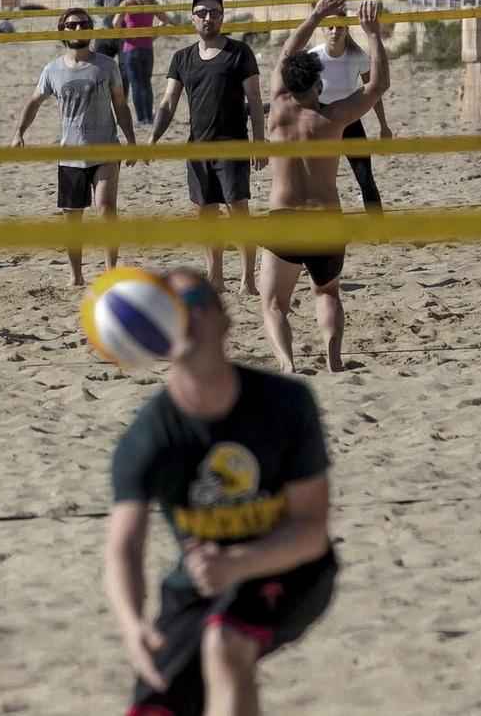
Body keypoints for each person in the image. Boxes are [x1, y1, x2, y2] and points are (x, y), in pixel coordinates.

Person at [106, 268, 335, 716]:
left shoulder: (286, 404)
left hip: (292, 565)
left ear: (224, 321)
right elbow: (124, 546)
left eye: (194, 304)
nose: (183, 318)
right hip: (200, 580)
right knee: (154, 703)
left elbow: (311, 531)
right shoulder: (149, 436)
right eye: (168, 310)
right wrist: (132, 625)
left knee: (226, 640)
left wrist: (238, 563)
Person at [266, 0, 390, 372]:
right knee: (327, 292)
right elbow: (378, 85)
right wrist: (372, 34)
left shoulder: (277, 110)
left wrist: (315, 16)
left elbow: (288, 53)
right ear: (318, 85)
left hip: (284, 218)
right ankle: (334, 359)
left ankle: (287, 364)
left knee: (273, 305)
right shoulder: (334, 118)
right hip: (326, 218)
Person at [149, 0, 266, 295]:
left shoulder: (240, 53)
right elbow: (168, 104)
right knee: (205, 213)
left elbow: (254, 100)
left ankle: (248, 281)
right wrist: (152, 139)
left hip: (233, 144)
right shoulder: (182, 58)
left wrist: (259, 142)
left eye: (214, 12)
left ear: (222, 16)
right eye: (201, 13)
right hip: (198, 147)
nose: (208, 18)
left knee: (238, 210)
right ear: (192, 19)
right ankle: (215, 279)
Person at [12, 8, 138, 288]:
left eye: (84, 23)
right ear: (63, 31)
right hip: (70, 152)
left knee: (105, 209)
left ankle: (110, 271)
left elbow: (120, 104)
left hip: (106, 148)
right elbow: (34, 101)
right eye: (72, 24)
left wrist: (131, 142)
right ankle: (76, 275)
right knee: (73, 218)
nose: (79, 28)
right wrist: (19, 133)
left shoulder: (107, 65)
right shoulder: (52, 69)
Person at [306, 14, 392, 213]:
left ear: (347, 31)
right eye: (331, 28)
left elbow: (375, 92)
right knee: (318, 181)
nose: (335, 32)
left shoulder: (357, 56)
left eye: (340, 28)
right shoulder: (313, 57)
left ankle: (381, 234)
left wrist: (384, 126)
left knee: (366, 179)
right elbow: (301, 95)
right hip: (322, 121)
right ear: (323, 30)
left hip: (349, 122)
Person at [119, 0, 161, 127]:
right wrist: (153, 36)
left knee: (136, 84)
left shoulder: (129, 2)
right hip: (147, 48)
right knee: (146, 83)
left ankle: (141, 118)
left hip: (132, 47)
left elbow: (115, 21)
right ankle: (149, 117)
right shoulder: (151, 2)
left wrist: (124, 36)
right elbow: (166, 20)